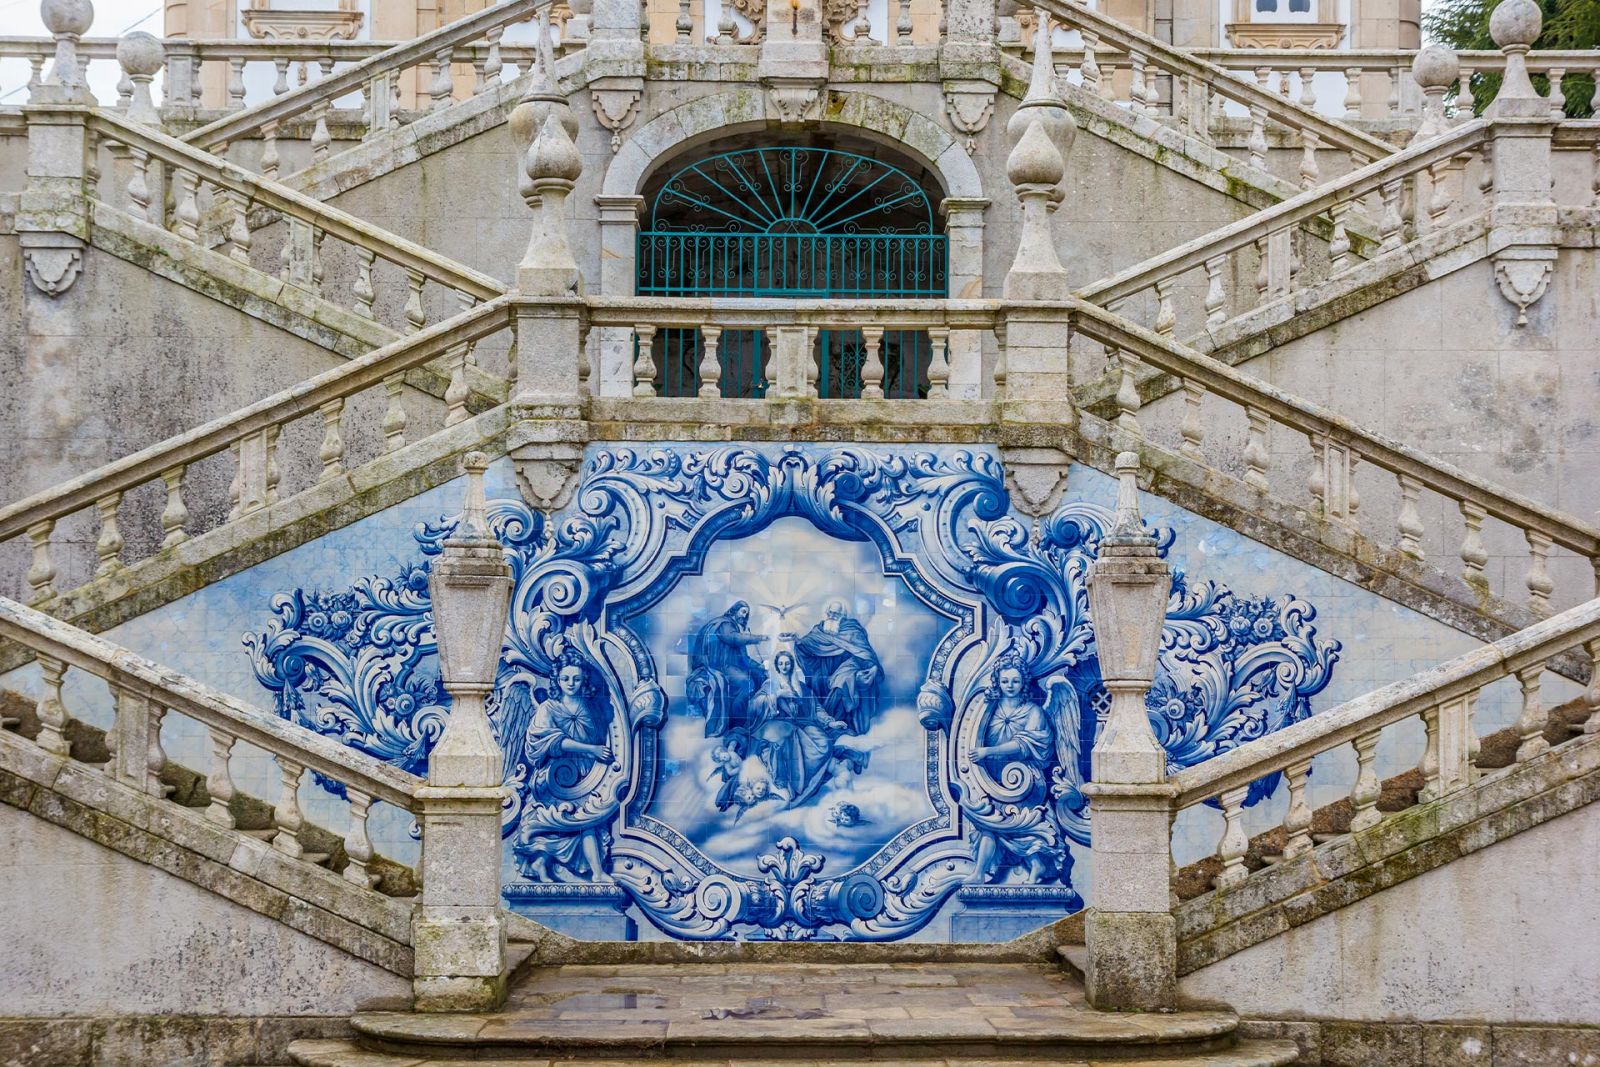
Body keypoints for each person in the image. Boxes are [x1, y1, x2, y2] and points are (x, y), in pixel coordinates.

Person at [514, 654, 615, 883]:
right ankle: (586, 870)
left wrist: (595, 754)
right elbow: (548, 740)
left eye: (576, 679)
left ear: (583, 680)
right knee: (570, 819)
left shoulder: (591, 708)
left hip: (587, 773)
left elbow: (599, 735)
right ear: (557, 680)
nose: (571, 683)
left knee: (587, 819)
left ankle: (591, 871)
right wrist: (591, 749)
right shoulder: (548, 708)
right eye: (565, 678)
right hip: (556, 775)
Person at [965, 663, 1060, 884]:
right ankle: (983, 872)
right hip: (992, 779)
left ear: (1023, 683)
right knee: (989, 820)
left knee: (1001, 819)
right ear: (998, 682)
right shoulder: (989, 709)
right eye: (1005, 681)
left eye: (1015, 681)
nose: (1010, 686)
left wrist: (988, 751)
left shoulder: (1034, 712)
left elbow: (1024, 744)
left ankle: (1032, 865)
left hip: (1025, 780)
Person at [751, 650, 848, 807]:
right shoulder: (770, 684)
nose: (784, 666)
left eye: (787, 663)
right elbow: (755, 704)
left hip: (801, 723)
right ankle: (787, 786)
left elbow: (816, 707)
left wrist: (830, 722)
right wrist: (777, 695)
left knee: (823, 743)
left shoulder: (801, 687)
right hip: (779, 723)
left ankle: (809, 781)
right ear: (776, 666)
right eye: (781, 663)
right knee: (784, 743)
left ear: (791, 665)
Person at [794, 600, 883, 735]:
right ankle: (826, 723)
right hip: (825, 667)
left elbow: (863, 652)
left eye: (836, 613)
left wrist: (871, 666)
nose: (832, 616)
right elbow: (806, 646)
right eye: (830, 612)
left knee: (842, 683)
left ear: (843, 615)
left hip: (849, 665)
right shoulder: (819, 629)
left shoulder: (852, 630)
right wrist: (798, 642)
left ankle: (840, 723)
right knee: (817, 679)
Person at [687, 601, 769, 746]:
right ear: (734, 611)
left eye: (747, 613)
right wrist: (759, 638)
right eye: (743, 611)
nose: (745, 616)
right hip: (719, 666)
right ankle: (736, 725)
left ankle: (751, 720)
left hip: (731, 666)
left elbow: (744, 659)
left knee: (759, 675)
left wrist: (761, 668)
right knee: (746, 683)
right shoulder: (724, 624)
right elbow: (733, 639)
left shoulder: (735, 630)